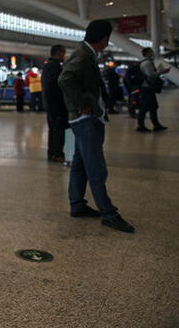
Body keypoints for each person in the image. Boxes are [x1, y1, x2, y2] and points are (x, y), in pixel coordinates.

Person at [58, 20, 134, 233]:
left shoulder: (87, 53)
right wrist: (82, 103)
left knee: (81, 165)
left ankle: (77, 205)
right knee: (96, 168)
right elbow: (65, 79)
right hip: (85, 120)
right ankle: (109, 213)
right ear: (104, 39)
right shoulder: (82, 54)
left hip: (87, 119)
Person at [42, 45, 68, 163]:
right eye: (63, 54)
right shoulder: (55, 67)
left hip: (51, 104)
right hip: (56, 105)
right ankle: (57, 154)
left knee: (53, 130)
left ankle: (52, 154)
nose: (64, 56)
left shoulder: (48, 66)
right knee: (58, 130)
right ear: (58, 53)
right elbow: (54, 86)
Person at [137, 48, 170, 132]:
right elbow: (151, 75)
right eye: (151, 52)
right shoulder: (147, 63)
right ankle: (140, 126)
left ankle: (156, 125)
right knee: (144, 108)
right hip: (146, 88)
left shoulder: (146, 62)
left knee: (153, 107)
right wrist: (162, 72)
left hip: (148, 88)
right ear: (147, 53)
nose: (153, 53)